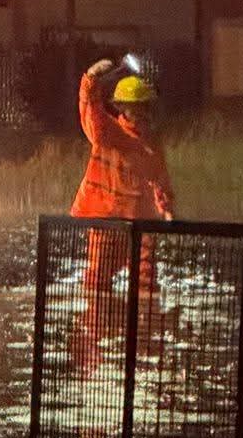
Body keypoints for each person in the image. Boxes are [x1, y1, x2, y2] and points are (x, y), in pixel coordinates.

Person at [72, 57, 174, 292]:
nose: (140, 112)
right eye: (134, 106)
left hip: (141, 223)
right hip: (107, 223)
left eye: (143, 106)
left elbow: (160, 182)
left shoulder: (151, 144)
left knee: (146, 286)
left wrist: (167, 210)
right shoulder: (107, 131)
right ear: (120, 107)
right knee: (97, 284)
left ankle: (143, 326)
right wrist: (91, 78)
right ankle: (97, 325)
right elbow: (90, 109)